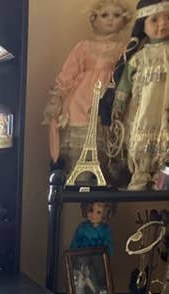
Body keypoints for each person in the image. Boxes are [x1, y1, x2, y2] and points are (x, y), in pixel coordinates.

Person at [43, 1, 132, 174]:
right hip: (82, 103)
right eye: (104, 15)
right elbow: (69, 73)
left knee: (108, 155)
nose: (110, 20)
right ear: (94, 19)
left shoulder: (125, 49)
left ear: (125, 20)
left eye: (116, 15)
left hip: (110, 102)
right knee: (81, 156)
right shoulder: (83, 47)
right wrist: (58, 97)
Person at [101, 0, 169, 189]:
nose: (163, 24)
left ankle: (163, 180)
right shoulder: (138, 58)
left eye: (168, 18)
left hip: (166, 109)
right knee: (142, 141)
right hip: (144, 111)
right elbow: (124, 83)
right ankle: (141, 174)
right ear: (142, 26)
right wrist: (118, 103)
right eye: (154, 20)